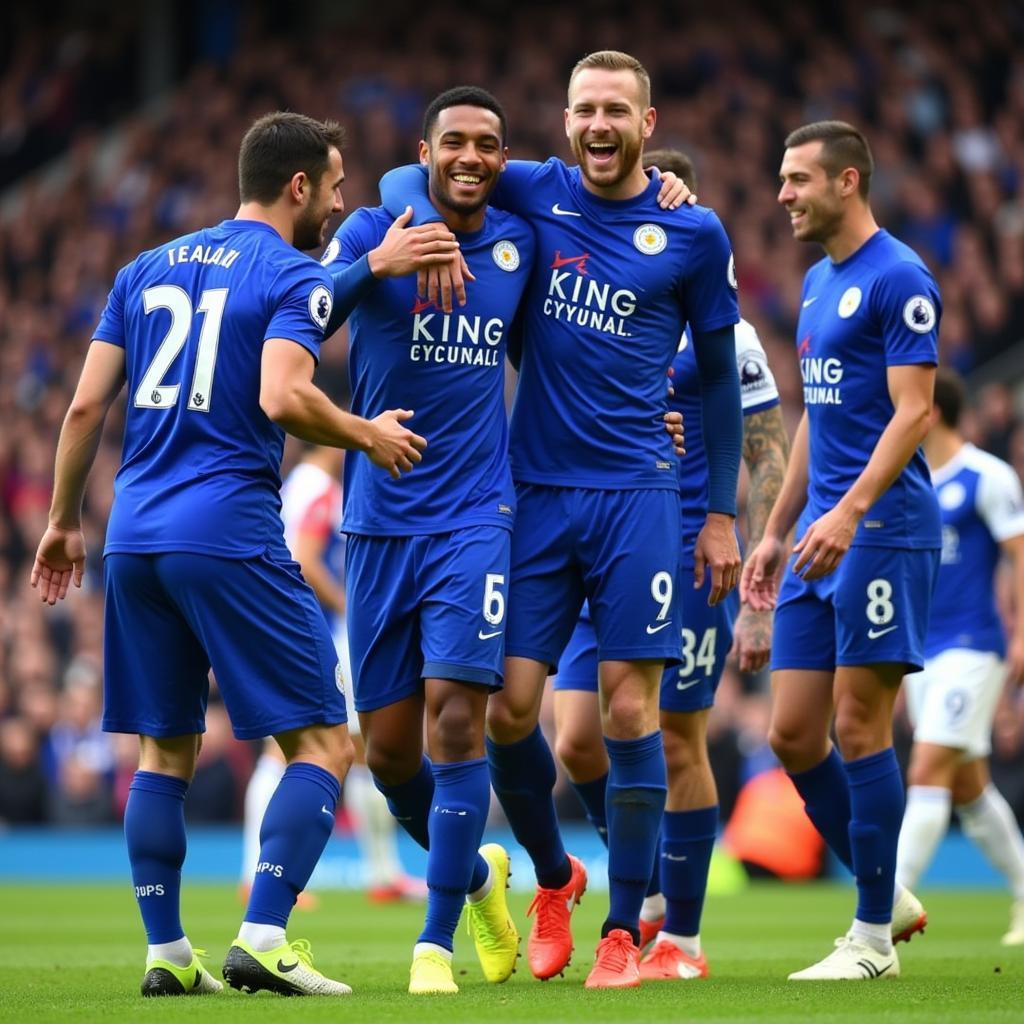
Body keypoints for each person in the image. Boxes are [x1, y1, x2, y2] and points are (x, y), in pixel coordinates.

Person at [29, 110, 449, 997]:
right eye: (334, 188)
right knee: (326, 742)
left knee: (163, 754)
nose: (338, 205)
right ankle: (265, 935)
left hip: (132, 537)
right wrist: (366, 433)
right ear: (299, 186)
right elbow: (285, 396)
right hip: (225, 531)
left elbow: (80, 411)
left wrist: (65, 519)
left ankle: (166, 953)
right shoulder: (292, 272)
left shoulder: (143, 269)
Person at [381, 52, 743, 989]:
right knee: (508, 710)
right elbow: (401, 175)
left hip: (640, 498)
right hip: (531, 496)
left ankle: (626, 931)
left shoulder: (694, 232)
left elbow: (718, 388)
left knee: (633, 709)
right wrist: (418, 213)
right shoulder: (536, 188)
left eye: (616, 110)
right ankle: (553, 880)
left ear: (647, 122)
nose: (598, 124)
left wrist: (719, 514)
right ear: (568, 118)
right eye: (585, 108)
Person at [552, 142, 789, 987]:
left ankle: (680, 937)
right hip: (596, 535)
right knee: (574, 737)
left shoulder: (719, 314)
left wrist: (757, 590)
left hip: (688, 547)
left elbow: (765, 451)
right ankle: (642, 884)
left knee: (676, 733)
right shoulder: (597, 300)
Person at [321, 86, 534, 996]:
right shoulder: (376, 220)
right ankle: (479, 877)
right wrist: (381, 260)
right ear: (425, 149)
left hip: (476, 516)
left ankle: (433, 945)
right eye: (455, 142)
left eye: (488, 144)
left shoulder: (521, 242)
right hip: (378, 522)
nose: (472, 157)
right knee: (389, 755)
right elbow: (306, 313)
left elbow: (564, 362)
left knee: (459, 712)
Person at [742, 120, 942, 981]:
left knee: (862, 728)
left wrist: (851, 515)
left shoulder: (900, 277)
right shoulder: (821, 282)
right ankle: (884, 888)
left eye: (797, 179)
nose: (782, 194)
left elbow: (915, 412)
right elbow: (820, 425)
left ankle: (869, 940)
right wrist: (780, 530)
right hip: (820, 536)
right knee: (793, 733)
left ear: (848, 180)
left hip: (881, 531)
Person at [240, 445, 425, 909]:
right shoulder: (321, 487)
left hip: (290, 627)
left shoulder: (297, 484)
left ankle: (383, 874)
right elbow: (304, 555)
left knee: (359, 750)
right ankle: (257, 872)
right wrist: (350, 609)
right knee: (285, 752)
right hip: (312, 632)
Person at [895, 367, 1024, 947]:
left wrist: (1021, 635)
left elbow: (1020, 557)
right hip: (924, 651)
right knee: (969, 787)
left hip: (974, 647)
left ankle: (883, 906)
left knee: (926, 769)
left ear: (933, 411)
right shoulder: (910, 478)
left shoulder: (986, 477)